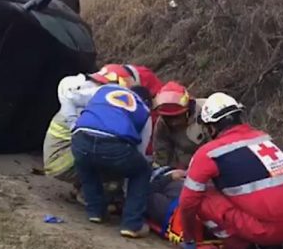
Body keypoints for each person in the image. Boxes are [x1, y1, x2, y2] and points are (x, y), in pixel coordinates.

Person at [177, 93, 283, 249]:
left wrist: (189, 238)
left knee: (202, 197)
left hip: (269, 229)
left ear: (211, 128)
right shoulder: (265, 139)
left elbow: (188, 202)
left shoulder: (208, 153)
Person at [71, 83, 153, 238]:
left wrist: (71, 120)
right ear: (148, 101)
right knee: (141, 170)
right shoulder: (144, 111)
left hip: (80, 137)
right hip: (112, 145)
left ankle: (95, 211)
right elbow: (139, 152)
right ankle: (132, 224)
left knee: (86, 165)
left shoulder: (104, 89)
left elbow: (72, 97)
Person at [152, 82, 209, 170]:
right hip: (184, 170)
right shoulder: (162, 124)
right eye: (168, 118)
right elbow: (161, 154)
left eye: (177, 117)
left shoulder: (207, 111)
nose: (173, 123)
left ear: (187, 110)